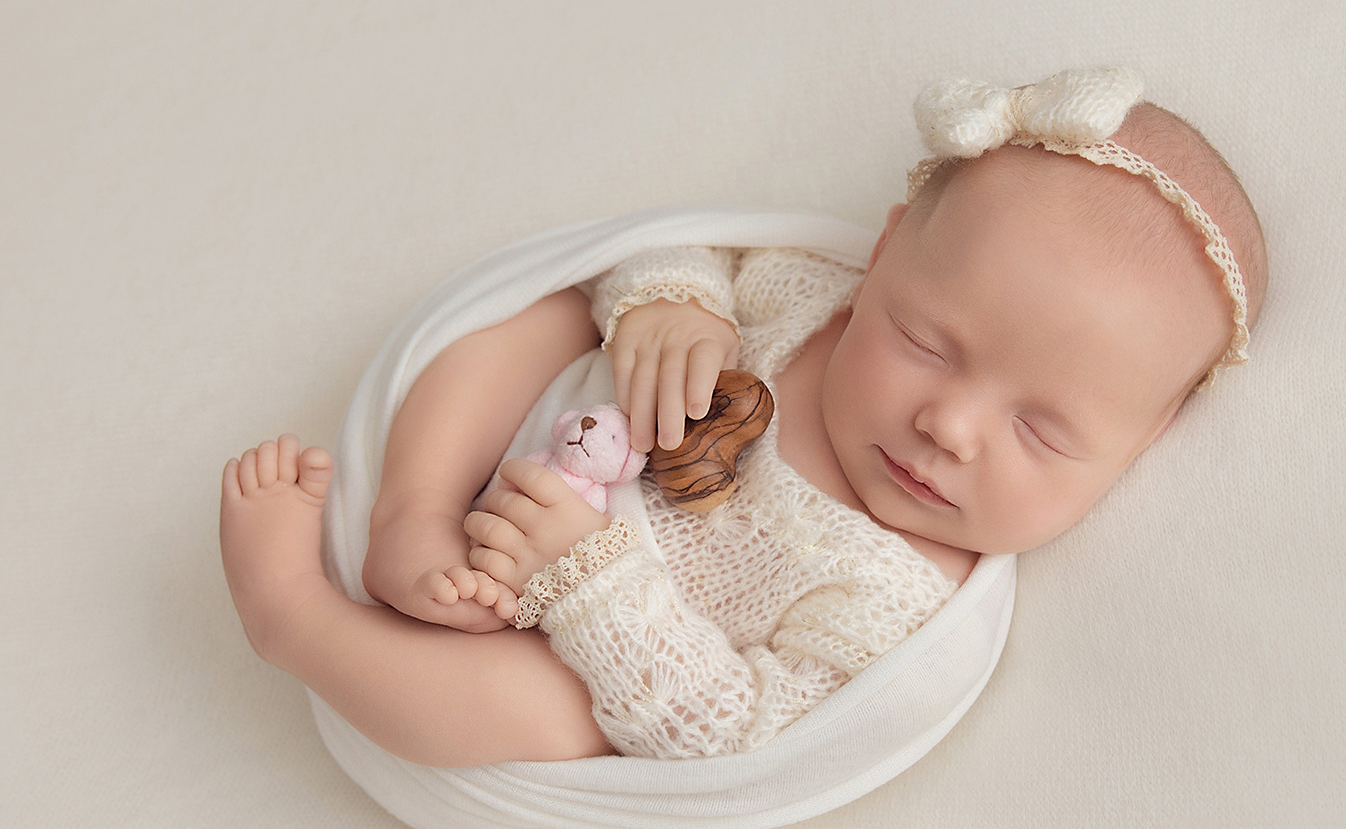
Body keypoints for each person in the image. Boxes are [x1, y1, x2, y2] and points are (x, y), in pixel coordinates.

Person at [218, 67, 1267, 767]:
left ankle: (295, 618)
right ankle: (412, 515)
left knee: (543, 715)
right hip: (529, 445)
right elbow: (683, 250)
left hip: (574, 628)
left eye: (1040, 431)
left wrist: (588, 578)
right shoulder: (811, 301)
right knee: (544, 311)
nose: (949, 426)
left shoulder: (899, 599)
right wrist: (673, 302)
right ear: (885, 254)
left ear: (1141, 445)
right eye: (925, 343)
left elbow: (728, 728)